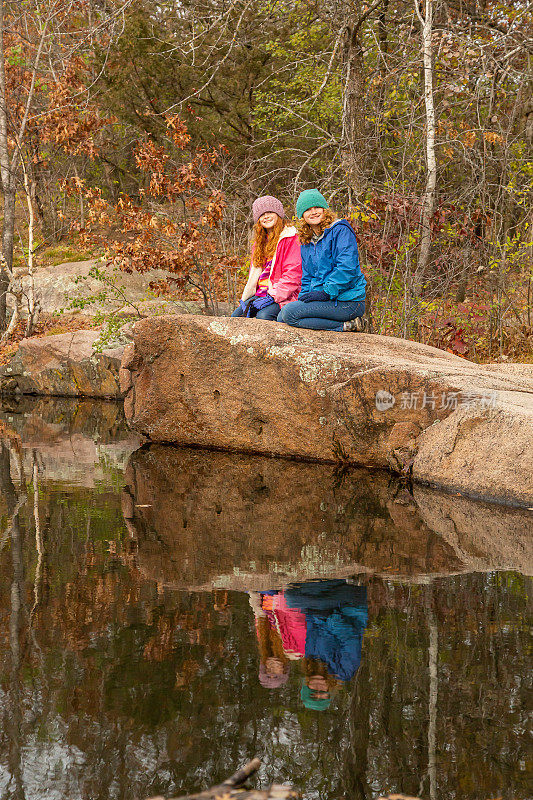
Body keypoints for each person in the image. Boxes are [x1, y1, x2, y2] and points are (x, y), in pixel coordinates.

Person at [277, 189, 367, 332]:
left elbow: (347, 268)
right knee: (282, 316)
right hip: (326, 299)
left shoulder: (340, 230)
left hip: (347, 301)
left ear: (324, 209)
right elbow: (307, 277)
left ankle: (347, 325)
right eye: (307, 209)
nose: (313, 212)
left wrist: (326, 292)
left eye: (317, 207)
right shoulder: (306, 240)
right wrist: (303, 298)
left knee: (290, 314)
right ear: (302, 215)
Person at [231, 195, 301, 320]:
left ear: (278, 214)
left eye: (270, 212)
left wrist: (273, 296)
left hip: (283, 295)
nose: (266, 216)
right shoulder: (259, 243)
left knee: (263, 316)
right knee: (236, 316)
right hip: (260, 295)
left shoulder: (291, 238)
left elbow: (293, 275)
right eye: (262, 215)